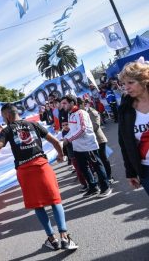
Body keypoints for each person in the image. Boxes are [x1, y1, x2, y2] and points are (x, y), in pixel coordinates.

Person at [0, 103, 78, 251]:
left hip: (25, 171)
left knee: (38, 205)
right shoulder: (33, 124)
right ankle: (64, 237)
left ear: (7, 115)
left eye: (3, 117)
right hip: (42, 167)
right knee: (55, 200)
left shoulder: (7, 130)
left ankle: (52, 239)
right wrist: (61, 154)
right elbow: (55, 141)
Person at [61, 95, 112, 198]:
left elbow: (82, 129)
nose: (63, 105)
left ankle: (105, 187)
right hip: (78, 147)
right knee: (83, 168)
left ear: (72, 103)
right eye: (62, 103)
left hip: (88, 145)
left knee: (97, 165)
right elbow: (73, 130)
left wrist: (68, 139)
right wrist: (66, 137)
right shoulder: (71, 115)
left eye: (65, 103)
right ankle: (93, 187)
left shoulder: (81, 113)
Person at [118, 59, 149, 195]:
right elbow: (124, 144)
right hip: (146, 170)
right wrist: (130, 172)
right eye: (124, 84)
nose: (126, 87)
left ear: (144, 80)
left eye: (131, 82)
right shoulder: (125, 109)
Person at [82, 99, 114, 183]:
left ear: (86, 104)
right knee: (96, 160)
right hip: (91, 140)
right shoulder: (82, 113)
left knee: (103, 158)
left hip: (99, 139)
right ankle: (103, 177)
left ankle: (110, 176)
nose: (80, 106)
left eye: (82, 104)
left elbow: (96, 126)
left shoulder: (92, 112)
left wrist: (84, 131)